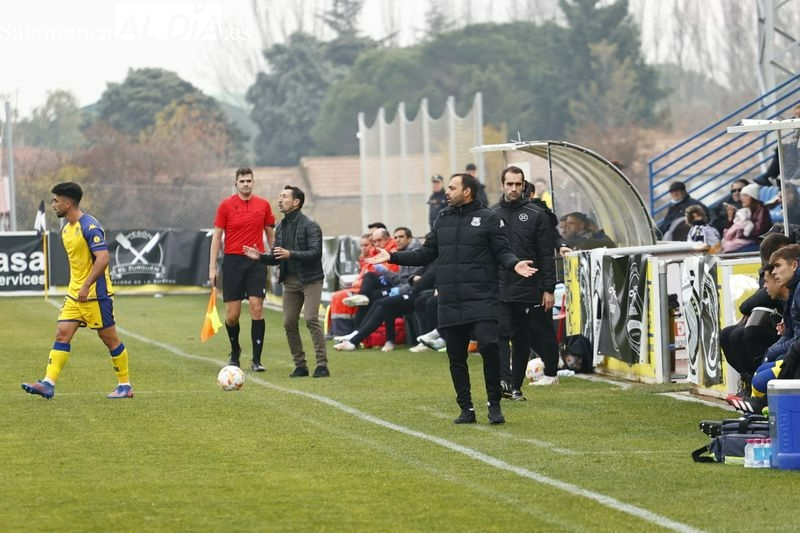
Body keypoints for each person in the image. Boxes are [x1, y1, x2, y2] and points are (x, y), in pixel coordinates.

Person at [367, 172, 537, 425]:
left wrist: (514, 265)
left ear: (467, 191)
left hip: (481, 297)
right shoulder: (442, 218)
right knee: (456, 355)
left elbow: (503, 251)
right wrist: (392, 257)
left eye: (452, 187)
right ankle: (466, 408)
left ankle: (494, 405)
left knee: (489, 347)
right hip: (451, 298)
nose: (446, 192)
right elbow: (426, 254)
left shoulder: (488, 218)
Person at [22, 182, 134, 399]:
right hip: (75, 295)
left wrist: (86, 286)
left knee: (109, 338)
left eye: (56, 201)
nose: (53, 205)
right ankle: (48, 383)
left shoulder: (90, 227)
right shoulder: (66, 229)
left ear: (68, 202)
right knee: (62, 333)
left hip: (95, 296)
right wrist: (77, 288)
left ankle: (125, 385)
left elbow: (103, 259)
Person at [243, 185, 329, 378]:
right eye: (279, 196)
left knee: (311, 319)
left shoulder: (310, 225)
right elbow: (276, 257)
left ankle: (322, 365)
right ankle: (301, 366)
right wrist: (260, 257)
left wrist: (291, 254)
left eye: (284, 196)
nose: (279, 200)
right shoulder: (280, 226)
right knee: (289, 322)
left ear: (296, 202)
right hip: (290, 281)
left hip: (311, 280)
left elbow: (315, 254)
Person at [490, 166, 559, 401]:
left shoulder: (535, 214)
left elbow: (546, 254)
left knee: (521, 338)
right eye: (509, 184)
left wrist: (549, 288)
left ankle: (516, 386)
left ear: (524, 185)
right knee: (499, 335)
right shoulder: (491, 214)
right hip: (498, 286)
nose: (513, 189)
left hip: (528, 287)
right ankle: (504, 381)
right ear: (502, 185)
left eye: (518, 184)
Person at [209, 167, 276, 371]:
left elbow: (271, 235)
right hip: (232, 262)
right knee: (232, 315)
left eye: (249, 180)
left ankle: (257, 360)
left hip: (256, 262)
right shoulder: (226, 206)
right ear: (235, 183)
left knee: (257, 308)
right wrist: (212, 267)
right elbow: (217, 237)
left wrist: (274, 259)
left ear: (253, 182)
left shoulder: (263, 205)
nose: (246, 184)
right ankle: (235, 350)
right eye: (242, 181)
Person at [722, 183, 771, 251]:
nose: (742, 198)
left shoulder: (762, 209)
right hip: (747, 240)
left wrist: (738, 233)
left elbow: (757, 232)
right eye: (742, 196)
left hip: (759, 242)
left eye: (745, 195)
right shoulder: (746, 209)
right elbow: (733, 227)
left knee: (731, 250)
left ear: (753, 197)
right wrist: (730, 217)